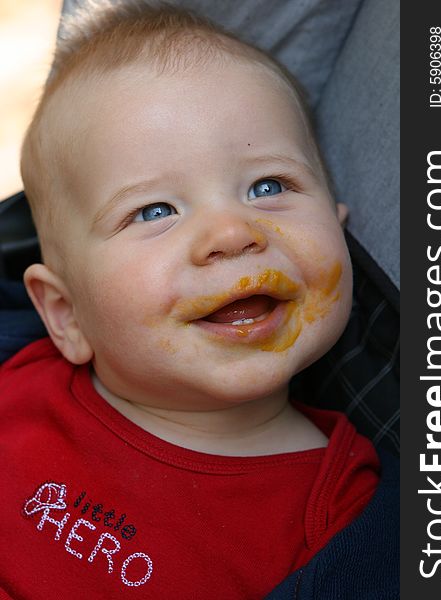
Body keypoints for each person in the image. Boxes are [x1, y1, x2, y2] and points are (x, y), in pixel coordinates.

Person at [0, 1, 398, 598]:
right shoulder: (15, 382)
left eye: (270, 186)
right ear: (66, 314)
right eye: (155, 210)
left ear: (340, 233)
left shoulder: (343, 512)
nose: (233, 234)